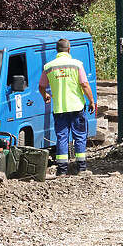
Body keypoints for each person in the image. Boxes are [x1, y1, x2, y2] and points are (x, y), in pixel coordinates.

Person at [38, 38, 96, 177]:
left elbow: (41, 86)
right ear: (69, 50)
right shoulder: (77, 65)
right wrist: (92, 101)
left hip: (59, 109)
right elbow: (85, 84)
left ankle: (62, 170)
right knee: (80, 137)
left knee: (62, 138)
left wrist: (45, 95)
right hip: (76, 107)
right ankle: (81, 168)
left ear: (56, 50)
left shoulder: (49, 67)